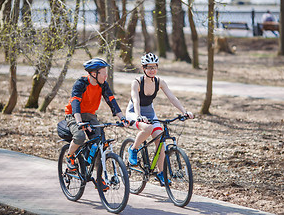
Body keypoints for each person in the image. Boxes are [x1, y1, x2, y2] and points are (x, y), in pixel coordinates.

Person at [126, 52, 194, 186]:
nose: (152, 70)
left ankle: (160, 173)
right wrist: (139, 116)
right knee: (148, 128)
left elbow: (172, 98)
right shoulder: (137, 82)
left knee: (160, 139)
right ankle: (133, 149)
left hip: (150, 113)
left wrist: (184, 112)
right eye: (149, 67)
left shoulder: (159, 82)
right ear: (143, 68)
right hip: (134, 111)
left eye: (154, 67)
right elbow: (135, 99)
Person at [64, 58, 129, 171]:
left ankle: (99, 179)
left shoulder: (103, 85)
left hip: (90, 116)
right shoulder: (81, 83)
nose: (106, 77)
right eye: (103, 74)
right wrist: (79, 122)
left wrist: (122, 118)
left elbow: (111, 101)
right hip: (74, 116)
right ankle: (69, 156)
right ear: (94, 74)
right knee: (80, 137)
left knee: (100, 144)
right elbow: (75, 104)